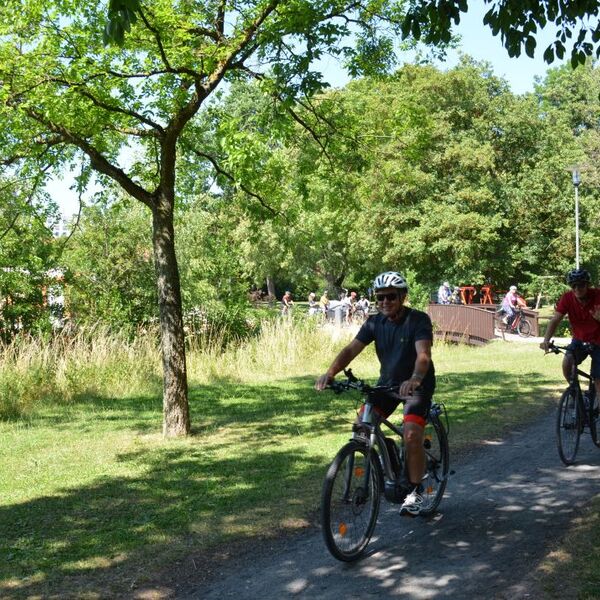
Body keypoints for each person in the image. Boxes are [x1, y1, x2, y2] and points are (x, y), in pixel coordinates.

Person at [315, 271, 435, 516]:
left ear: (402, 297)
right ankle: (388, 459)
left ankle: (416, 491)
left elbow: (423, 355)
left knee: (412, 436)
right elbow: (351, 350)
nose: (384, 302)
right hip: (387, 385)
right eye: (379, 298)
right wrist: (330, 373)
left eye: (390, 297)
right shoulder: (373, 322)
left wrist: (414, 378)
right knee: (361, 425)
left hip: (417, 386)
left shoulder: (418, 320)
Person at [540, 269, 600, 398]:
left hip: (598, 341)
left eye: (581, 285)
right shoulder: (567, 298)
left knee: (598, 380)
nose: (577, 288)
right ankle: (576, 395)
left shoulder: (598, 295)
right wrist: (546, 340)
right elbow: (556, 319)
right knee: (567, 365)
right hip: (579, 340)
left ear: (587, 285)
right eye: (574, 285)